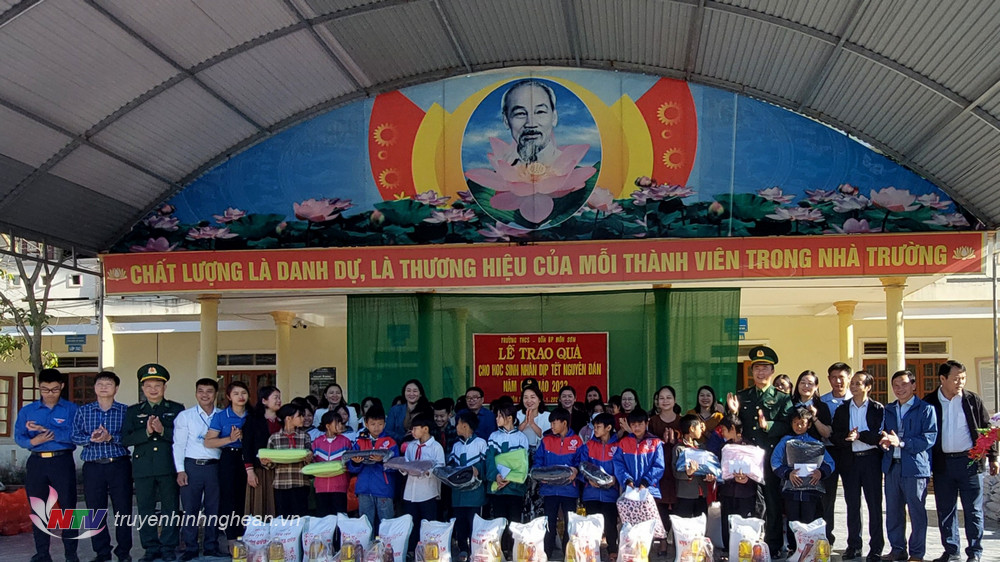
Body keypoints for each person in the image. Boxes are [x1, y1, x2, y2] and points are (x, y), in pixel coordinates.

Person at [922, 360, 1000, 562]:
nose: (961, 383)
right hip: (942, 464)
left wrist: (993, 457)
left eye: (963, 378)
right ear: (942, 379)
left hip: (970, 462)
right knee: (945, 510)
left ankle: (975, 552)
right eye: (956, 379)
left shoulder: (972, 400)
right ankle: (951, 550)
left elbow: (986, 429)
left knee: (973, 510)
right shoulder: (929, 402)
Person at [725, 345, 792, 556]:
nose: (760, 372)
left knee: (772, 500)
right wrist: (733, 412)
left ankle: (772, 545)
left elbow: (789, 425)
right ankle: (746, 542)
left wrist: (768, 425)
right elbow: (734, 426)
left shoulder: (782, 398)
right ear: (751, 371)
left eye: (765, 368)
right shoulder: (742, 396)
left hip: (770, 457)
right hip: (746, 457)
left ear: (772, 371)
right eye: (756, 368)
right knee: (748, 500)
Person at [123, 363, 185, 562]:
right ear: (142, 388)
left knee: (170, 508)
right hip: (143, 468)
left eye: (157, 385)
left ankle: (168, 547)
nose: (153, 389)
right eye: (148, 386)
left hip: (168, 466)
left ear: (164, 387)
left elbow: (183, 437)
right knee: (145, 509)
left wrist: (163, 430)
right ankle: (150, 548)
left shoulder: (176, 409)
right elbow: (125, 439)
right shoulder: (133, 411)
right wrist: (147, 432)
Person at [16, 368, 80, 562]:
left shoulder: (71, 409)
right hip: (37, 462)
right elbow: (19, 436)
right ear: (39, 387)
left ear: (62, 386)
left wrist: (47, 431)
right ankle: (42, 553)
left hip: (62, 461)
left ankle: (71, 554)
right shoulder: (28, 411)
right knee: (38, 508)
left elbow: (75, 435)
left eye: (54, 389)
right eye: (45, 389)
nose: (50, 394)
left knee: (68, 508)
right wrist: (33, 442)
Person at [71, 371, 132, 562]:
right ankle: (102, 552)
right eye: (100, 384)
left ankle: (124, 552)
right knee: (95, 511)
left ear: (116, 388)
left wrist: (110, 437)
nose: (104, 387)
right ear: (95, 387)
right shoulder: (84, 411)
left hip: (119, 465)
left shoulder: (125, 411)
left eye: (108, 384)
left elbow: (130, 437)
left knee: (123, 510)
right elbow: (74, 435)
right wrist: (90, 438)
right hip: (93, 467)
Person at [879, 370, 938, 562]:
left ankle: (917, 553)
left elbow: (929, 438)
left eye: (904, 384)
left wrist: (902, 442)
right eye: (895, 385)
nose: (899, 389)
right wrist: (884, 442)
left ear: (914, 385)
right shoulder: (888, 409)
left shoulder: (926, 409)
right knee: (893, 512)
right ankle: (897, 549)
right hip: (892, 467)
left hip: (915, 468)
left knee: (916, 512)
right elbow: (882, 432)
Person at [832, 371, 885, 562]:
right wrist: (847, 437)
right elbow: (835, 435)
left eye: (858, 383)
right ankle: (854, 545)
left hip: (871, 460)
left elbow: (880, 435)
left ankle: (876, 547)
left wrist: (860, 436)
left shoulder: (877, 409)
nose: (853, 386)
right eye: (852, 383)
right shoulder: (842, 409)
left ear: (868, 387)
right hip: (850, 461)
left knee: (874, 505)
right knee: (852, 505)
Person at [771, 407, 835, 554]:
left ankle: (808, 549)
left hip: (810, 490)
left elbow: (830, 463)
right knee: (792, 520)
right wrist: (788, 473)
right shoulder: (785, 442)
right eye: (795, 423)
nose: (799, 426)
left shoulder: (816, 443)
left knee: (809, 519)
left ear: (809, 424)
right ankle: (794, 549)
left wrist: (820, 472)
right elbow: (775, 461)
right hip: (791, 489)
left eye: (802, 423)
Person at [172, 378, 223, 560]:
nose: (204, 395)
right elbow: (179, 445)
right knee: (190, 508)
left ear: (215, 394)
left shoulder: (222, 415)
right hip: (192, 466)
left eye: (209, 391)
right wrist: (180, 470)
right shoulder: (185, 416)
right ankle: (191, 547)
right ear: (196, 393)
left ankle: (211, 545)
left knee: (213, 508)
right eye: (201, 391)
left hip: (215, 467)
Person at [204, 380, 250, 543]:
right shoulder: (221, 416)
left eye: (243, 393)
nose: (240, 396)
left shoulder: (252, 415)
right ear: (229, 397)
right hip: (229, 458)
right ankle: (231, 537)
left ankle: (250, 535)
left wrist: (246, 438)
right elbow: (208, 442)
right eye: (236, 393)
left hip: (249, 458)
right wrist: (230, 439)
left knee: (247, 497)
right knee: (229, 497)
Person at [534, 408, 584, 557]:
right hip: (549, 489)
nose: (552, 426)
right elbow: (538, 461)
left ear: (564, 423)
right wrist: (539, 474)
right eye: (551, 423)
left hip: (569, 490)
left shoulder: (577, 441)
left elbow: (582, 463)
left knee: (570, 523)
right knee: (549, 522)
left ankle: (568, 555)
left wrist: (576, 470)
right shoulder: (546, 440)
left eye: (554, 423)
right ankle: (546, 554)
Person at [486, 402, 530, 555]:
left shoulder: (521, 438)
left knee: (514, 520)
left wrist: (511, 478)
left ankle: (514, 551)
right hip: (498, 486)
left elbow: (523, 463)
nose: (497, 418)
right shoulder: (493, 437)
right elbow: (490, 459)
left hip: (515, 488)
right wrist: (496, 476)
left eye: (500, 416)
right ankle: (501, 551)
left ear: (510, 418)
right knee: (499, 520)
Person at [349, 404, 398, 529]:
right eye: (373, 424)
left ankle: (387, 542)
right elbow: (351, 467)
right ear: (366, 424)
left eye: (380, 424)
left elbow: (396, 466)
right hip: (364, 489)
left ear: (385, 424)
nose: (376, 427)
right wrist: (356, 462)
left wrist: (382, 461)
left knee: (386, 523)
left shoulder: (390, 442)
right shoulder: (359, 441)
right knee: (365, 525)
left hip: (384, 489)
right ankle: (367, 542)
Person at [716, 415, 761, 553]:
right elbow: (720, 468)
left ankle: (744, 551)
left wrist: (748, 478)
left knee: (744, 523)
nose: (722, 433)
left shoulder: (751, 447)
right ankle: (728, 550)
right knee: (727, 521)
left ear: (733, 428)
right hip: (727, 491)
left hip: (746, 492)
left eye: (724, 429)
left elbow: (757, 469)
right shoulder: (724, 447)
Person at [579, 412, 619, 561]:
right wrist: (588, 479)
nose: (595, 429)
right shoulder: (588, 445)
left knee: (610, 524)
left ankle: (612, 551)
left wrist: (615, 479)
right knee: (592, 525)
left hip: (611, 494)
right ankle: (592, 553)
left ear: (608, 427)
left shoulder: (618, 446)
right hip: (591, 493)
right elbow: (582, 465)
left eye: (598, 427)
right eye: (594, 426)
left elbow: (621, 466)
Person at [402, 416, 446, 553]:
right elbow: (405, 462)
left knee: (428, 524)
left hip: (428, 492)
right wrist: (404, 468)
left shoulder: (436, 447)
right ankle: (411, 551)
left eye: (415, 429)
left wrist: (427, 471)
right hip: (410, 492)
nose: (412, 432)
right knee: (411, 524)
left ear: (425, 429)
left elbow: (440, 467)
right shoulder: (411, 446)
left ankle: (428, 552)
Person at [821, 362, 853, 545]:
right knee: (827, 498)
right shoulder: (822, 402)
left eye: (841, 377)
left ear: (849, 378)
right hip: (828, 452)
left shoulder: (856, 401)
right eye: (834, 377)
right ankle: (826, 539)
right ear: (829, 379)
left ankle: (854, 542)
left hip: (850, 452)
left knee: (852, 498)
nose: (838, 381)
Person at [449, 411, 488, 555]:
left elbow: (487, 465)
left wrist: (477, 469)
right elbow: (451, 466)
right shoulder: (456, 446)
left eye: (457, 424)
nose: (456, 427)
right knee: (460, 523)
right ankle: (463, 550)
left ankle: (475, 551)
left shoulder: (481, 443)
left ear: (465, 425)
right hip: (458, 495)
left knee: (475, 523)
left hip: (475, 494)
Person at [264, 403, 313, 517]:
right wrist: (266, 462)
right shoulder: (274, 438)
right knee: (284, 519)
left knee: (301, 518)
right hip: (281, 484)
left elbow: (309, 461)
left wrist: (308, 459)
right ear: (288, 418)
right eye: (299, 416)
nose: (303, 418)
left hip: (300, 483)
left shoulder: (304, 437)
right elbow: (271, 465)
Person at [647, 384, 680, 552]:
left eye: (668, 397)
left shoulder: (681, 420)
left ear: (674, 400)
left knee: (677, 503)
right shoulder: (652, 421)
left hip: (676, 469)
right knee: (659, 504)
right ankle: (662, 541)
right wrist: (660, 441)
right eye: (661, 398)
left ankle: (678, 540)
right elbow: (648, 443)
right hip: (658, 467)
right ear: (657, 401)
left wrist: (675, 442)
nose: (665, 401)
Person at [242, 385, 282, 518]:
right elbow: (247, 446)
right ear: (264, 400)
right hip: (259, 469)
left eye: (279, 398)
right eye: (275, 397)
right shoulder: (253, 420)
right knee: (260, 504)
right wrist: (250, 471)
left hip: (280, 470)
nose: (279, 401)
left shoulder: (283, 421)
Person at [612, 409, 665, 501]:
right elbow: (618, 463)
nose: (637, 428)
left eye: (640, 424)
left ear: (646, 424)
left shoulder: (655, 442)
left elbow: (659, 466)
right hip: (630, 491)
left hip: (650, 490)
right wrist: (627, 480)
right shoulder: (623, 443)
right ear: (629, 425)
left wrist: (646, 482)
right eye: (633, 425)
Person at [673, 414, 716, 518]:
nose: (701, 430)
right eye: (699, 427)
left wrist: (709, 477)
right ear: (692, 428)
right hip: (685, 494)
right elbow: (675, 472)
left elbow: (706, 467)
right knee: (685, 524)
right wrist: (688, 473)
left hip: (702, 494)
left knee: (701, 523)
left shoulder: (701, 447)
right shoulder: (679, 448)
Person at [312, 410, 352, 516]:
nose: (340, 425)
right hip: (321, 487)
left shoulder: (345, 442)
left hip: (340, 486)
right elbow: (313, 463)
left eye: (341, 423)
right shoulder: (317, 442)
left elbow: (350, 463)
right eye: (337, 423)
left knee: (340, 518)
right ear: (328, 426)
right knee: (323, 518)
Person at [516, 384, 551, 449]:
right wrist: (524, 423)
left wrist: (532, 423)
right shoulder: (517, 415)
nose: (529, 401)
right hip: (521, 451)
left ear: (539, 400)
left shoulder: (547, 416)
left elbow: (546, 437)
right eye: (526, 397)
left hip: (540, 451)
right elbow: (513, 435)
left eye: (532, 397)